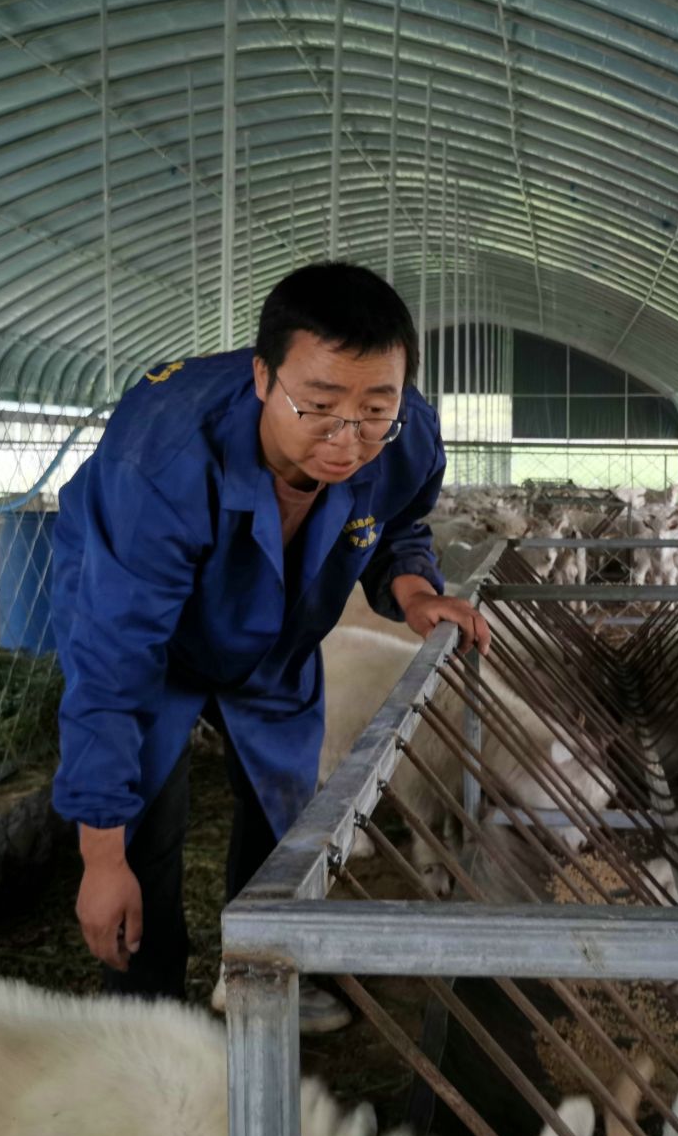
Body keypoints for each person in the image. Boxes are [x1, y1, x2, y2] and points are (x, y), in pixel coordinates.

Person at [48, 261, 489, 1030]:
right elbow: (114, 665)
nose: (348, 438)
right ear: (262, 377)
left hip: (277, 632)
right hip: (149, 636)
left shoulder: (403, 435)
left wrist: (415, 590)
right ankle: (147, 1018)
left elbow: (400, 527)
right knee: (144, 818)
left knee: (288, 805)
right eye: (318, 406)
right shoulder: (163, 460)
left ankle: (261, 979)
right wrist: (98, 857)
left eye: (374, 409)